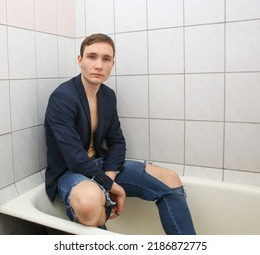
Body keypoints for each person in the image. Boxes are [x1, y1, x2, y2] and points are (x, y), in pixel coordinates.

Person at [44, 33, 196, 235]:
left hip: (100, 164)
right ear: (80, 60)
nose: (99, 65)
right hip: (71, 172)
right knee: (90, 202)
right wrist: (113, 187)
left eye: (106, 59)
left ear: (112, 63)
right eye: (92, 57)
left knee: (170, 178)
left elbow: (117, 142)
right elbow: (74, 159)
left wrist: (109, 176)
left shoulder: (107, 96)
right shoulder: (62, 98)